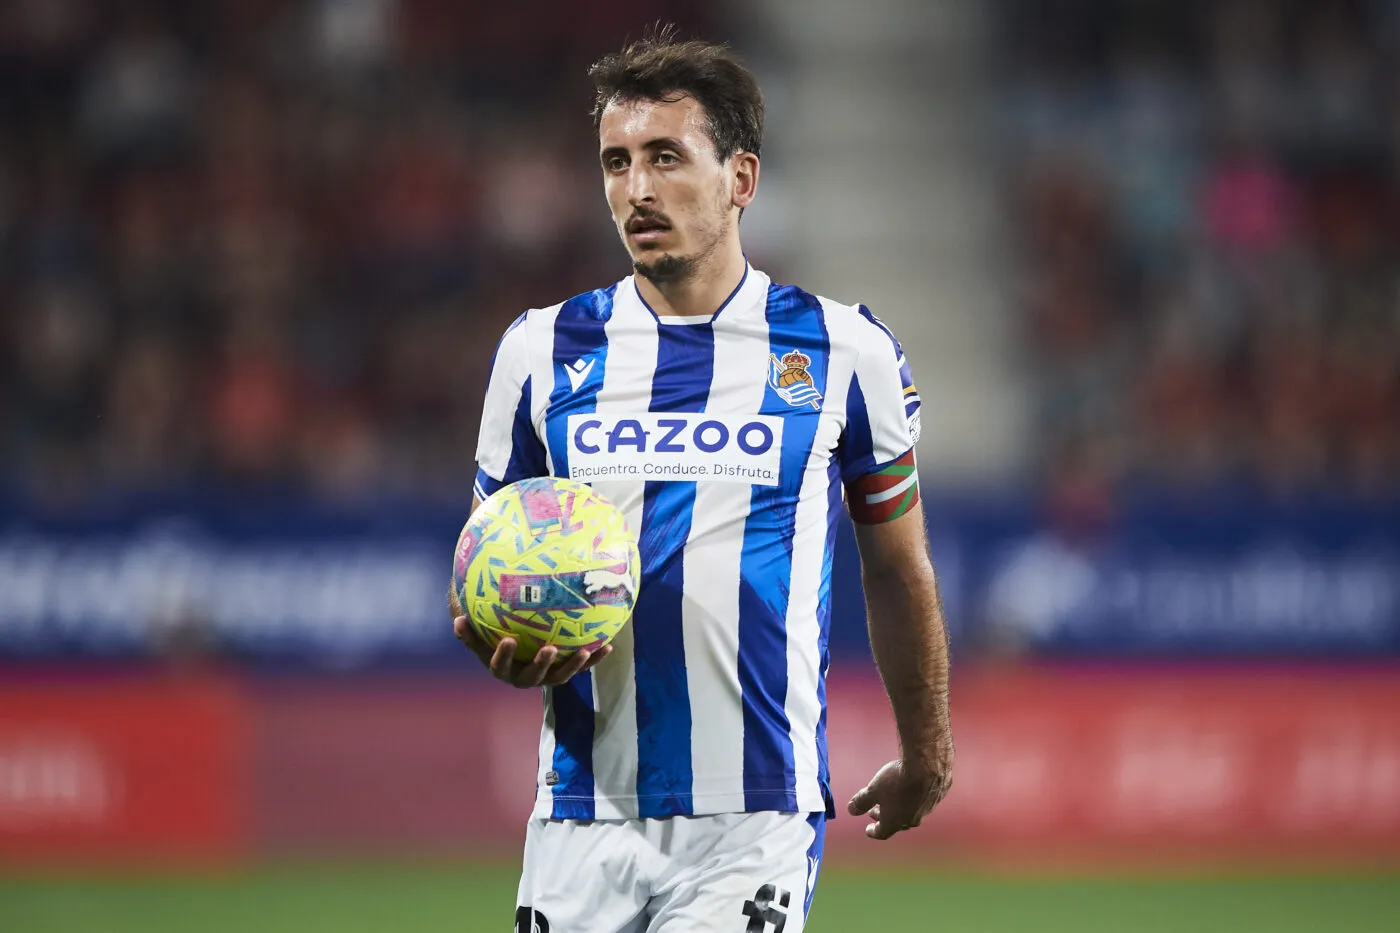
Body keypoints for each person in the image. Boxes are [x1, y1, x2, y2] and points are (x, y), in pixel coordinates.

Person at [451, 25, 953, 933]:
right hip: (579, 811)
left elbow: (896, 567)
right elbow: (490, 563)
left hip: (755, 813)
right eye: (615, 161)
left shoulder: (845, 351)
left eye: (666, 158)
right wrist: (499, 636)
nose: (636, 188)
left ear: (741, 180)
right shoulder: (538, 352)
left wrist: (929, 750)